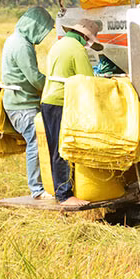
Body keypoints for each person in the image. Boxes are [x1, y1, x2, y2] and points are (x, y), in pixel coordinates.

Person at [41, 19, 103, 209]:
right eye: (88, 40)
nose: (87, 43)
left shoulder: (59, 44)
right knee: (64, 149)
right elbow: (87, 79)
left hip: (48, 100)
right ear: (85, 36)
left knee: (55, 148)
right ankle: (65, 195)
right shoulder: (77, 48)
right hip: (61, 102)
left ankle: (59, 191)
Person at [0, 7, 54, 199]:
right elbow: (34, 78)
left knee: (37, 143)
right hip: (22, 105)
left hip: (16, 103)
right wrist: (54, 84)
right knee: (35, 143)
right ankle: (37, 190)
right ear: (34, 26)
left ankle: (42, 185)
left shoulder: (13, 39)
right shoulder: (22, 45)